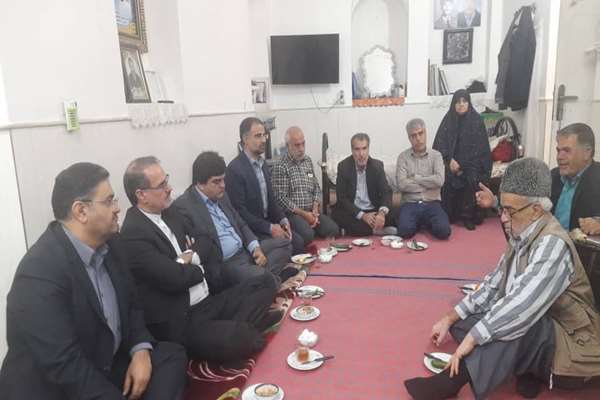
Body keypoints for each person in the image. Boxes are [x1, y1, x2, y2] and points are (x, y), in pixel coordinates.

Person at [404, 158, 600, 400]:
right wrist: (449, 317)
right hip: (539, 329)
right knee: (464, 323)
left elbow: (521, 305)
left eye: (509, 211)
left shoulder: (553, 244)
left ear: (536, 210)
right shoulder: (524, 231)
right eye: (502, 209)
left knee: (514, 322)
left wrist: (473, 339)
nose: (503, 218)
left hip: (570, 346)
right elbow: (493, 284)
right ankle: (524, 367)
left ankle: (452, 381)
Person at [0, 162, 187, 400]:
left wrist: (140, 350)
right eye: (109, 201)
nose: (118, 208)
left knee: (170, 356)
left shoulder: (113, 243)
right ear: (81, 211)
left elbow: (132, 305)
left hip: (104, 362)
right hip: (57, 387)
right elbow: (66, 366)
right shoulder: (38, 274)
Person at [118, 156, 281, 363]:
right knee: (244, 340)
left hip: (208, 299)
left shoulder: (169, 211)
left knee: (266, 282)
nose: (169, 188)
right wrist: (194, 266)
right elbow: (175, 279)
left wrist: (191, 256)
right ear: (141, 195)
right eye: (162, 185)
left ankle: (237, 326)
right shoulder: (133, 234)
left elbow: (206, 240)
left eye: (167, 180)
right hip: (184, 318)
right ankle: (244, 327)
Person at [477, 123, 600, 303]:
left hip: (580, 267)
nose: (559, 157)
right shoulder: (553, 177)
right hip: (546, 253)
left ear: (587, 152)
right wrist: (496, 203)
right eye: (558, 150)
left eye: (566, 151)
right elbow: (526, 210)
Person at [172, 151, 294, 286]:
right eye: (216, 181)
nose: (223, 185)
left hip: (245, 251)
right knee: (261, 277)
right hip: (227, 263)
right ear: (200, 184)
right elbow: (200, 245)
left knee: (285, 244)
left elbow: (240, 223)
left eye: (223, 179)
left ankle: (262, 281)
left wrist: (255, 248)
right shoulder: (185, 206)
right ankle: (267, 280)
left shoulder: (221, 195)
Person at [226, 117, 303, 255]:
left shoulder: (263, 164)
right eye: (258, 136)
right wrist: (269, 228)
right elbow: (240, 213)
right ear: (245, 139)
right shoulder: (235, 170)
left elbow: (271, 200)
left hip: (268, 222)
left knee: (299, 241)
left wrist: (283, 220)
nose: (263, 140)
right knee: (290, 245)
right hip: (252, 230)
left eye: (264, 135)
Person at [433, 89, 492, 230]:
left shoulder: (476, 121)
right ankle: (450, 214)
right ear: (453, 104)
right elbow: (439, 145)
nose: (461, 104)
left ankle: (467, 216)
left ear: (469, 103)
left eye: (464, 101)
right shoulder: (448, 120)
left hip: (471, 163)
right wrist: (449, 159)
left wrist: (463, 165)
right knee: (446, 176)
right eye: (458, 102)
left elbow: (481, 149)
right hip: (451, 162)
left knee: (472, 176)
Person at [271, 126, 339, 244]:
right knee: (308, 235)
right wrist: (304, 214)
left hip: (311, 211)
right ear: (288, 146)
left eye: (303, 144)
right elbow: (280, 198)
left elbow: (316, 186)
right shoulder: (281, 166)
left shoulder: (307, 161)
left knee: (333, 229)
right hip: (293, 213)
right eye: (297, 145)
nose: (301, 149)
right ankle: (302, 231)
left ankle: (311, 227)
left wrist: (315, 206)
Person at [331, 132, 395, 236]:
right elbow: (342, 198)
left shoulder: (377, 166)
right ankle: (376, 231)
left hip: (373, 209)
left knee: (395, 214)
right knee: (337, 215)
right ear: (352, 150)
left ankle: (358, 230)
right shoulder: (343, 166)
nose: (361, 154)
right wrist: (363, 216)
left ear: (368, 149)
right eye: (357, 149)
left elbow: (386, 192)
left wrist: (381, 214)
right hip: (354, 210)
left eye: (364, 148)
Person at [396, 119, 451, 239]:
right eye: (413, 135)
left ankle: (422, 223)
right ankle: (422, 223)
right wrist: (429, 184)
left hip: (432, 203)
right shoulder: (403, 157)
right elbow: (402, 185)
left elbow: (439, 180)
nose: (418, 138)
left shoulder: (436, 156)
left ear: (425, 133)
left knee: (444, 231)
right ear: (409, 138)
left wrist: (416, 178)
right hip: (410, 203)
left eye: (420, 133)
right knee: (404, 231)